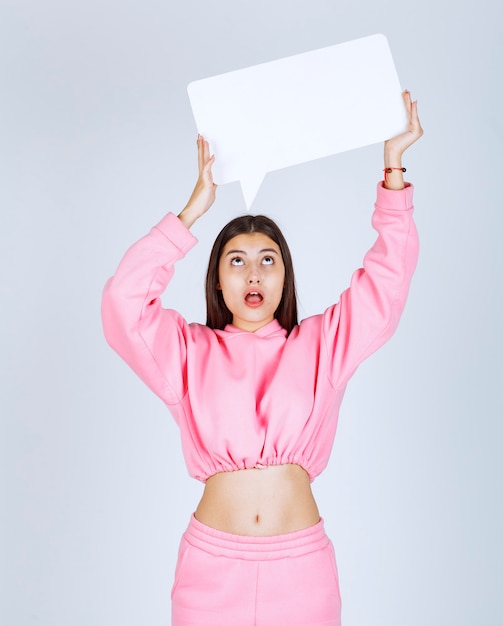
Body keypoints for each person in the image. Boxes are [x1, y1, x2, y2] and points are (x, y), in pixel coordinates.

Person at [101, 91, 423, 626]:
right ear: (218, 281)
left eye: (267, 260)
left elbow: (386, 286)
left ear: (284, 277)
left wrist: (393, 169)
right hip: (211, 574)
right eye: (237, 261)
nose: (253, 274)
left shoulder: (322, 344)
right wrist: (191, 212)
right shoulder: (187, 351)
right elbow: (122, 303)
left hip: (301, 576)